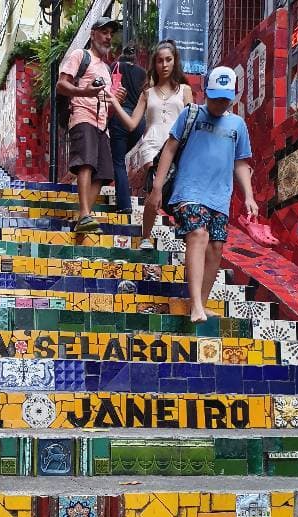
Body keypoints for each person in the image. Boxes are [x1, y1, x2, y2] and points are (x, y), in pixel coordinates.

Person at [147, 66, 257, 323]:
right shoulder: (191, 114)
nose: (219, 103)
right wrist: (157, 187)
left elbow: (240, 163)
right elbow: (170, 149)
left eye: (224, 99)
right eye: (215, 97)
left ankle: (201, 303)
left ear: (232, 97)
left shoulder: (237, 125)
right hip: (189, 191)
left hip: (220, 196)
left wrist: (249, 196)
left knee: (216, 247)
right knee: (198, 234)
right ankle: (195, 303)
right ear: (206, 92)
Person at [108, 40, 192, 247]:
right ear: (154, 64)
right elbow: (131, 124)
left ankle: (163, 231)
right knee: (156, 184)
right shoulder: (147, 93)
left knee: (169, 190)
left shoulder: (185, 90)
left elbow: (192, 120)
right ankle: (146, 237)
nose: (164, 65)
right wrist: (115, 103)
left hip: (177, 144)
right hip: (152, 145)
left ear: (175, 62)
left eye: (168, 60)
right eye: (160, 61)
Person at [57, 17, 127, 233]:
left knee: (105, 171)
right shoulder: (81, 55)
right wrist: (84, 92)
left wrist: (117, 101)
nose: (108, 37)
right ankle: (86, 214)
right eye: (104, 32)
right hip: (82, 115)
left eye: (110, 34)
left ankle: (83, 218)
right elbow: (61, 85)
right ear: (92, 34)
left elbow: (104, 103)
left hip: (101, 124)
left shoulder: (106, 69)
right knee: (86, 163)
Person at [108, 43, 146, 215]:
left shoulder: (115, 67)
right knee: (120, 158)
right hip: (139, 121)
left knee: (118, 162)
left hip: (120, 116)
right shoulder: (143, 73)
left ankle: (124, 204)